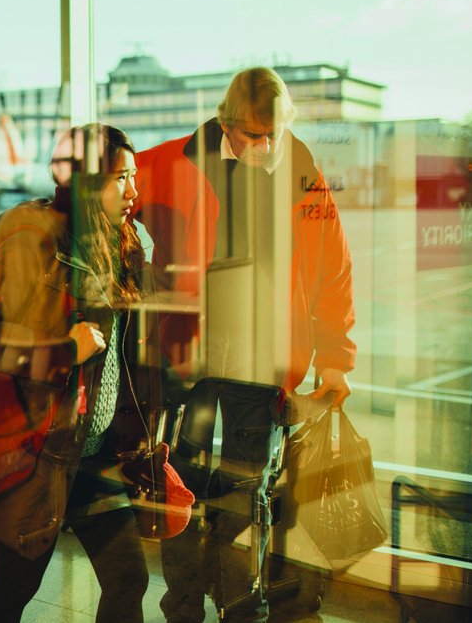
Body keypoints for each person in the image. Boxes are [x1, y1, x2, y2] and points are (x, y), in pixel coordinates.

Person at [131, 67, 356, 622]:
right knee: (180, 484)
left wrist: (335, 360)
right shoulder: (173, 161)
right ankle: (184, 602)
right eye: (252, 136)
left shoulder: (303, 171)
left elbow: (334, 270)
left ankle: (234, 596)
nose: (264, 146)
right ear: (227, 124)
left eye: (273, 134)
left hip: (263, 363)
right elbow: (106, 196)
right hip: (191, 360)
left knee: (244, 490)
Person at [0, 124, 163, 623]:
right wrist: (63, 349)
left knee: (128, 578)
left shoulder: (120, 244)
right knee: (11, 591)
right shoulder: (36, 244)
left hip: (94, 455)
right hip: (40, 458)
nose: (134, 191)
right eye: (120, 178)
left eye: (134, 177)